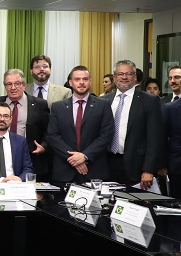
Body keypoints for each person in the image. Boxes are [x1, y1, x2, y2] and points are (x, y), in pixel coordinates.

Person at [46, 66, 114, 186]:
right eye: (77, 79)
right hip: (64, 171)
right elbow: (52, 135)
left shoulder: (103, 105)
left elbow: (106, 134)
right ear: (70, 82)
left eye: (85, 79)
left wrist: (85, 156)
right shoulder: (58, 107)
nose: (81, 82)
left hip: (94, 170)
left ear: (90, 82)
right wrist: (74, 159)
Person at [103, 60, 162, 190]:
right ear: (114, 77)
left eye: (129, 74)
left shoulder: (149, 101)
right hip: (107, 164)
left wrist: (148, 169)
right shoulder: (104, 101)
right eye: (120, 74)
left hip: (136, 166)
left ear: (135, 77)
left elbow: (155, 138)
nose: (124, 77)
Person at [0, 69, 50, 180]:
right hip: (2, 159)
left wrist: (44, 146)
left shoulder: (39, 104)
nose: (13, 87)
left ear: (24, 85)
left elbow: (49, 129)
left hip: (30, 158)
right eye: (9, 84)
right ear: (5, 86)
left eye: (17, 83)